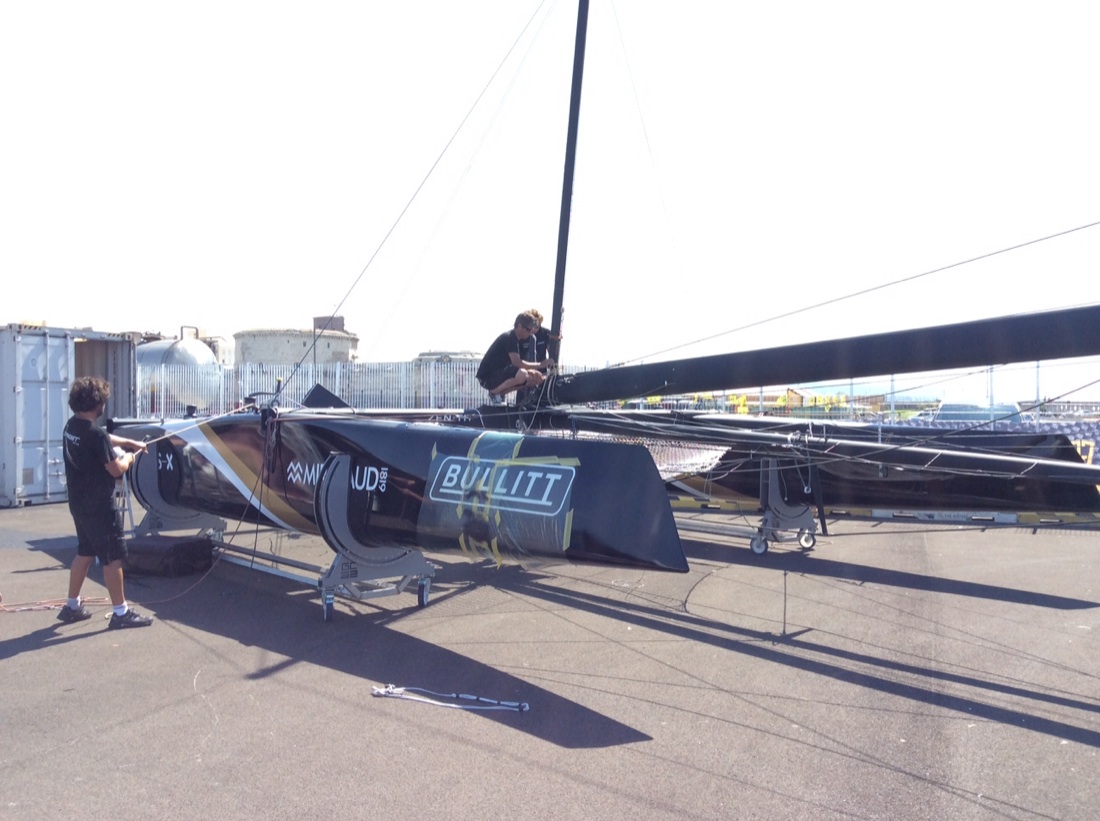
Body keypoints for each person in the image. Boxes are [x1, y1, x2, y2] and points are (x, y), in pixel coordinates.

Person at [56, 376, 153, 629]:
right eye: (104, 401)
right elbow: (115, 469)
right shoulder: (95, 435)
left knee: (85, 551)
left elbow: (103, 438)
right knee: (111, 558)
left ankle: (71, 606)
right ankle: (121, 613)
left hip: (79, 504)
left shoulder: (72, 426)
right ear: (97, 403)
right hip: (99, 506)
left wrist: (128, 442)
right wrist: (130, 458)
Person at [476, 312, 554, 404]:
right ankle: (494, 392)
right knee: (522, 374)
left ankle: (501, 393)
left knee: (532, 379)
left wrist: (535, 373)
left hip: (498, 373)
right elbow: (517, 363)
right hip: (487, 376)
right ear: (520, 326)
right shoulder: (509, 338)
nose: (530, 333)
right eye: (528, 330)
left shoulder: (517, 340)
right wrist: (541, 364)